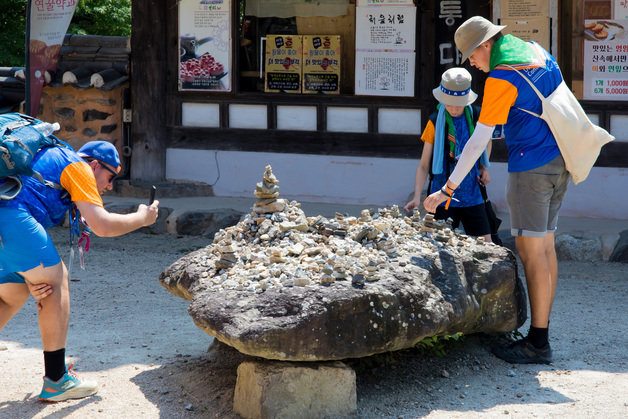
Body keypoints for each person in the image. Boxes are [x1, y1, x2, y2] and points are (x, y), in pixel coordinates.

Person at [424, 16, 570, 365]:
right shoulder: (534, 51)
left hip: (531, 169)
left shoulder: (503, 75)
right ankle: (541, 332)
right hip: (559, 160)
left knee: (532, 252)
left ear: (485, 45)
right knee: (546, 248)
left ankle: (538, 342)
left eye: (472, 56)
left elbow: (478, 140)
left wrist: (448, 188)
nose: (472, 64)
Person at [0, 138, 160, 401]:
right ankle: (56, 380)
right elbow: (103, 226)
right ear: (95, 165)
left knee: (11, 295)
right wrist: (143, 218)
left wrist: (29, 276)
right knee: (56, 279)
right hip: (11, 218)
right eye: (110, 177)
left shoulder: (49, 158)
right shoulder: (78, 166)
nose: (109, 186)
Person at [404, 67, 493, 243]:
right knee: (439, 245)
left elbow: (486, 142)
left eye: (458, 103)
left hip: (472, 193)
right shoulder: (435, 121)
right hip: (440, 194)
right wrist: (416, 196)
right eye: (449, 102)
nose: (453, 108)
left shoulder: (477, 116)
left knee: (487, 244)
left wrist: (484, 167)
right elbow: (423, 165)